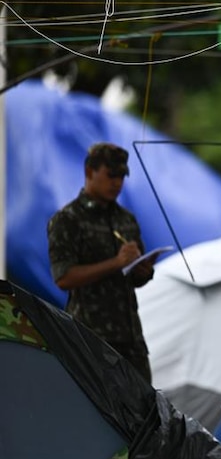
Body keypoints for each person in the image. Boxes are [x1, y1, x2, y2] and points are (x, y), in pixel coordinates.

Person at [47, 142, 156, 383]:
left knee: (144, 413)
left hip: (130, 340)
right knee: (95, 414)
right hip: (89, 340)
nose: (117, 183)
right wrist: (116, 263)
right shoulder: (67, 220)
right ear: (89, 172)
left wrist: (144, 270)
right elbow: (64, 278)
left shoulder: (126, 220)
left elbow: (135, 278)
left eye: (121, 176)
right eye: (111, 175)